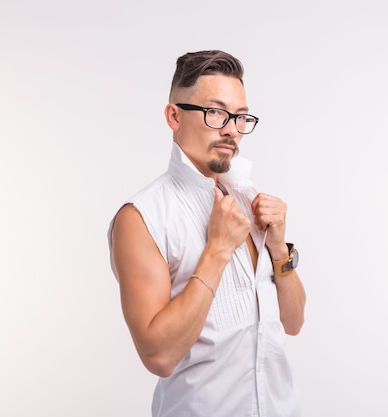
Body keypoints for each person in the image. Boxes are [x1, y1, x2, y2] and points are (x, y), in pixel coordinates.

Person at [108, 50, 306, 417]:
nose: (231, 128)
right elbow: (159, 356)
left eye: (240, 116)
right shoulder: (142, 217)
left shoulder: (250, 201)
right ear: (174, 116)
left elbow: (293, 322)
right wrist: (217, 251)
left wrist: (279, 248)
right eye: (215, 112)